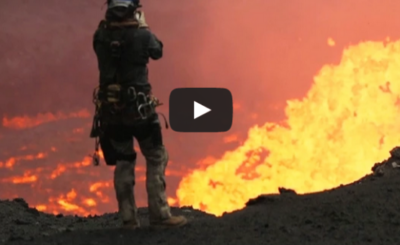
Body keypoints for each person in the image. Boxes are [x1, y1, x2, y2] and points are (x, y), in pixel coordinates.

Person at [91, 0, 187, 229]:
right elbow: (158, 51)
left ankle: (128, 219)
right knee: (155, 156)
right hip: (139, 110)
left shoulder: (100, 36)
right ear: (133, 9)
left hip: (111, 112)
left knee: (124, 161)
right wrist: (142, 28)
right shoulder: (142, 36)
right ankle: (160, 216)